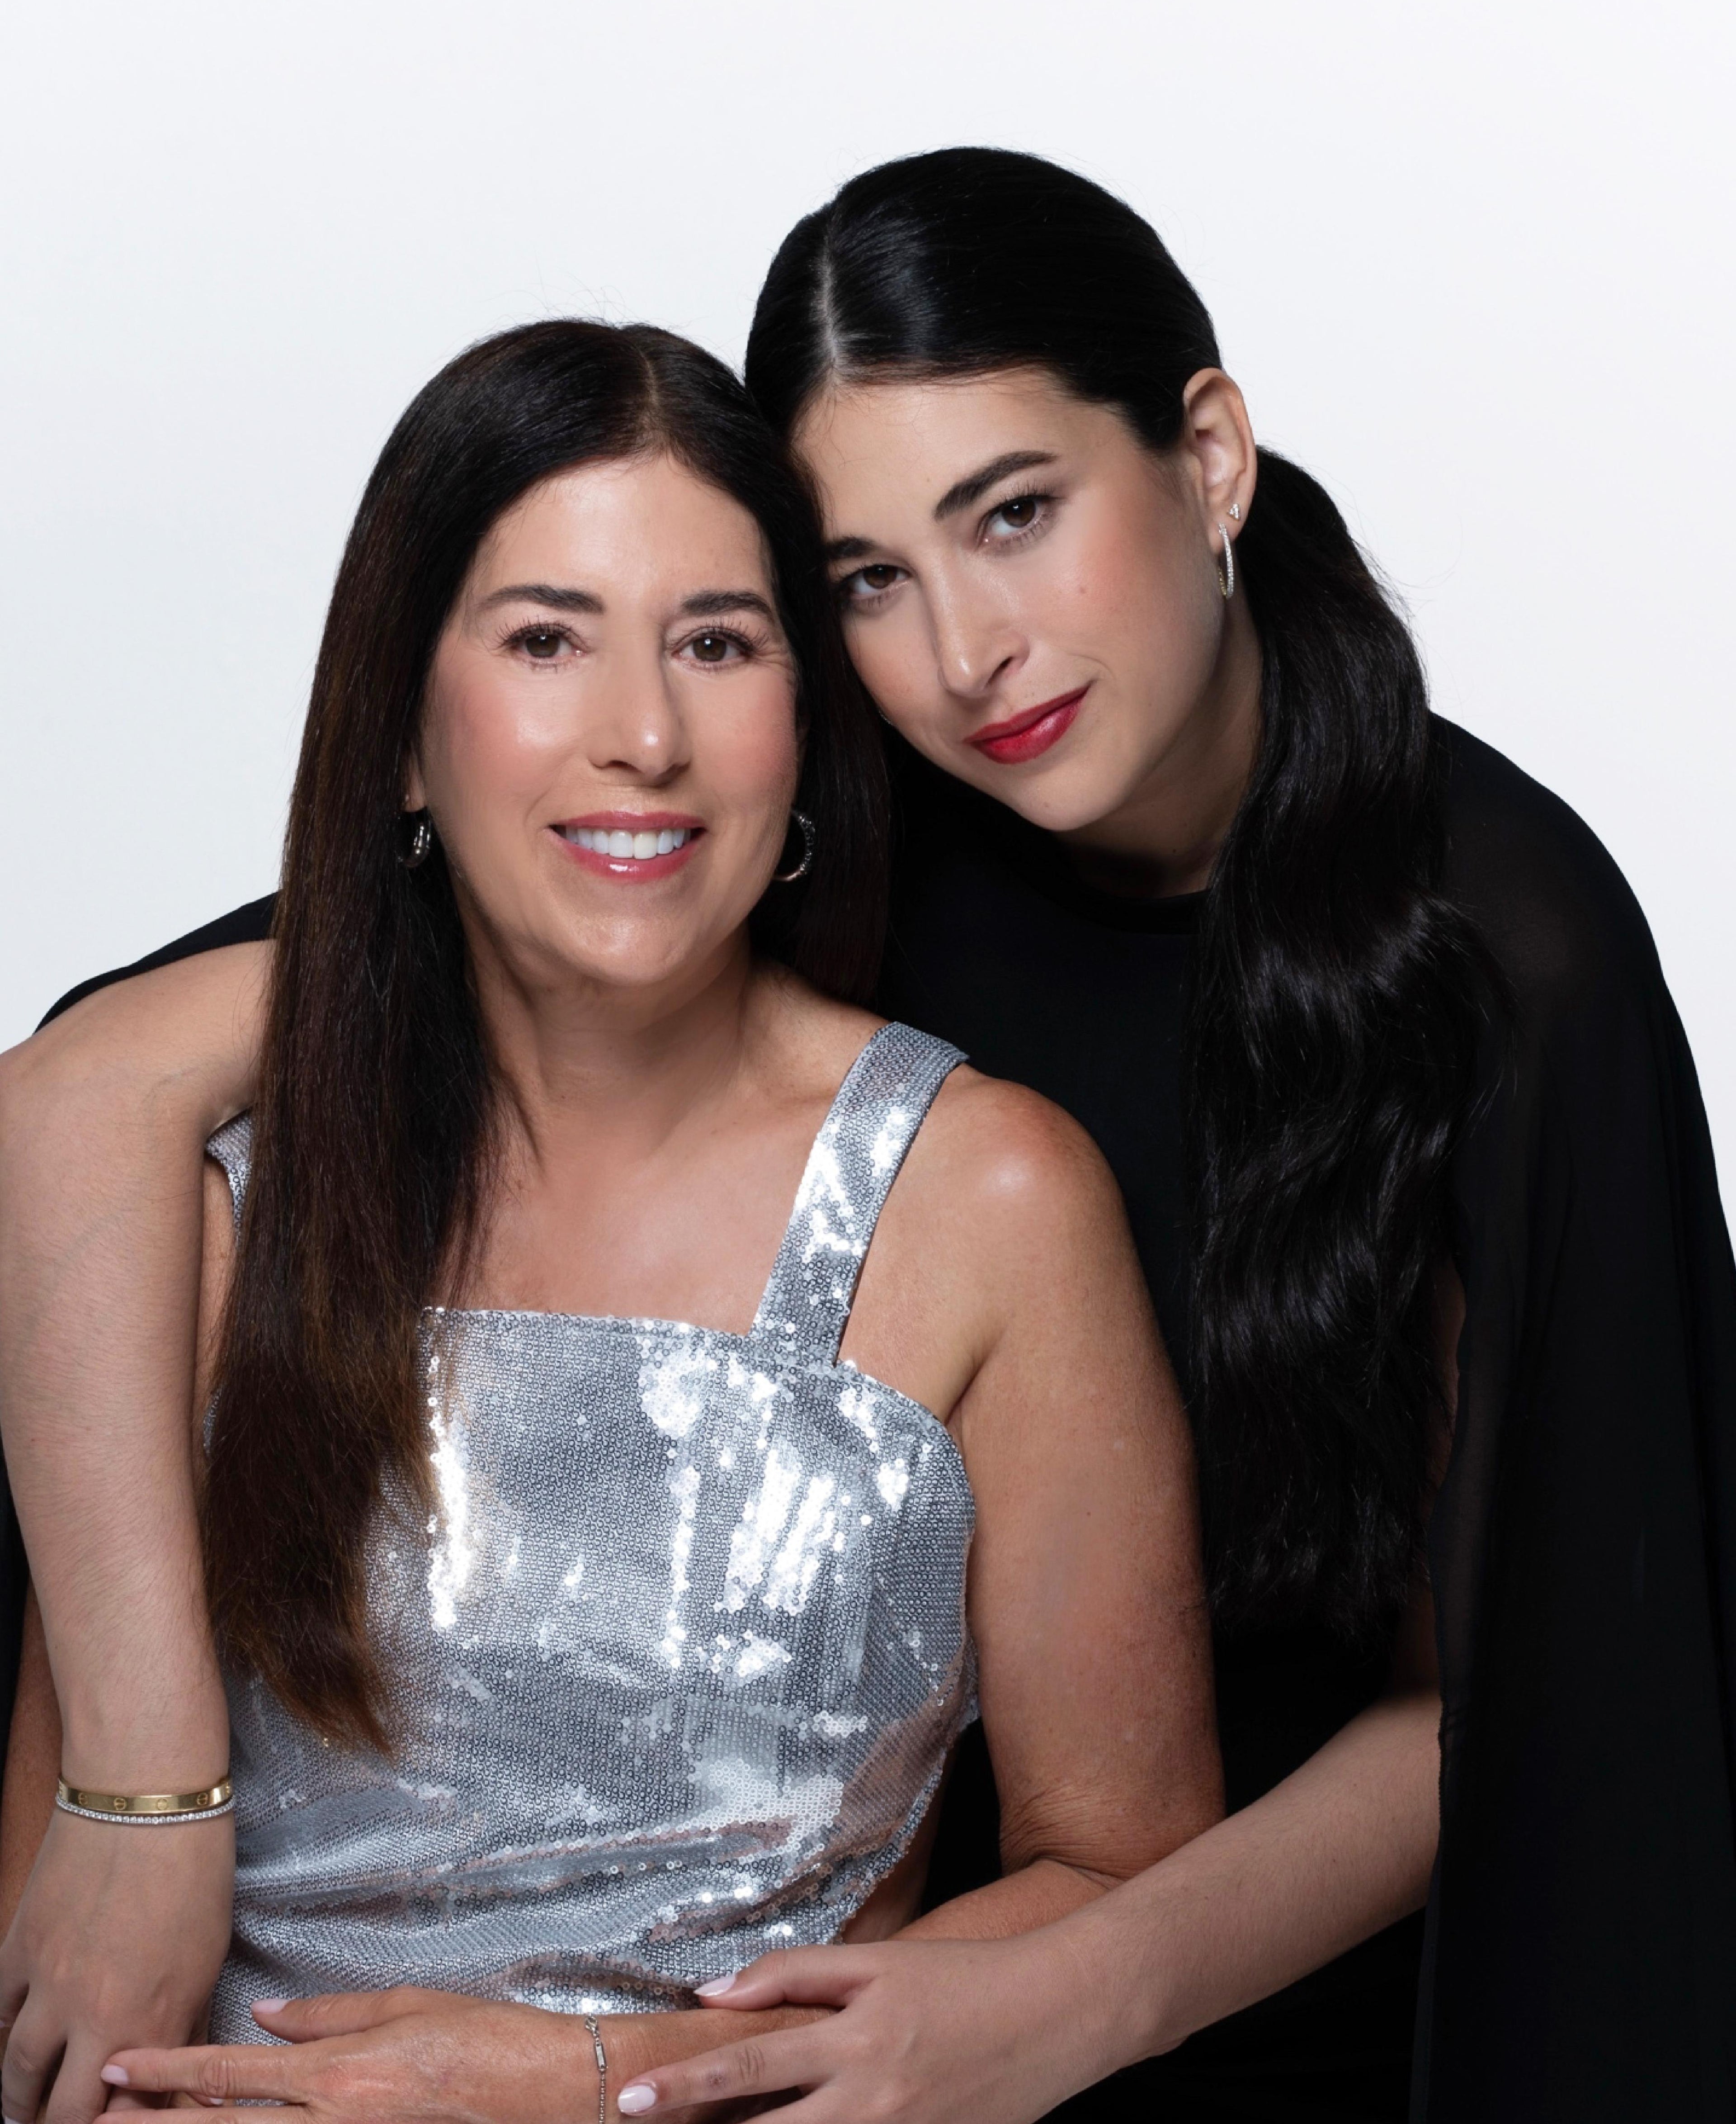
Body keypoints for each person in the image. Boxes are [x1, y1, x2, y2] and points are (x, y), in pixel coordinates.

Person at [5, 146, 1736, 2120]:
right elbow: (103, 1079)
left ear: (1210, 459)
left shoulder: (1497, 950)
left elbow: (1528, 1674)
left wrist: (1057, 1992)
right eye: (867, 583)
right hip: (859, 1980)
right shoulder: (806, 826)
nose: (968, 653)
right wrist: (140, 1791)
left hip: (1206, 1993)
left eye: (1016, 515)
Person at [0, 312, 1221, 2117]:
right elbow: (66, 1954)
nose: (644, 734)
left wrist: (606, 2081)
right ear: (405, 736)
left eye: (717, 642)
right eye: (545, 639)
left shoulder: (990, 1202)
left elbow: (1119, 1874)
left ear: (803, 722)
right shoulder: (206, 1210)